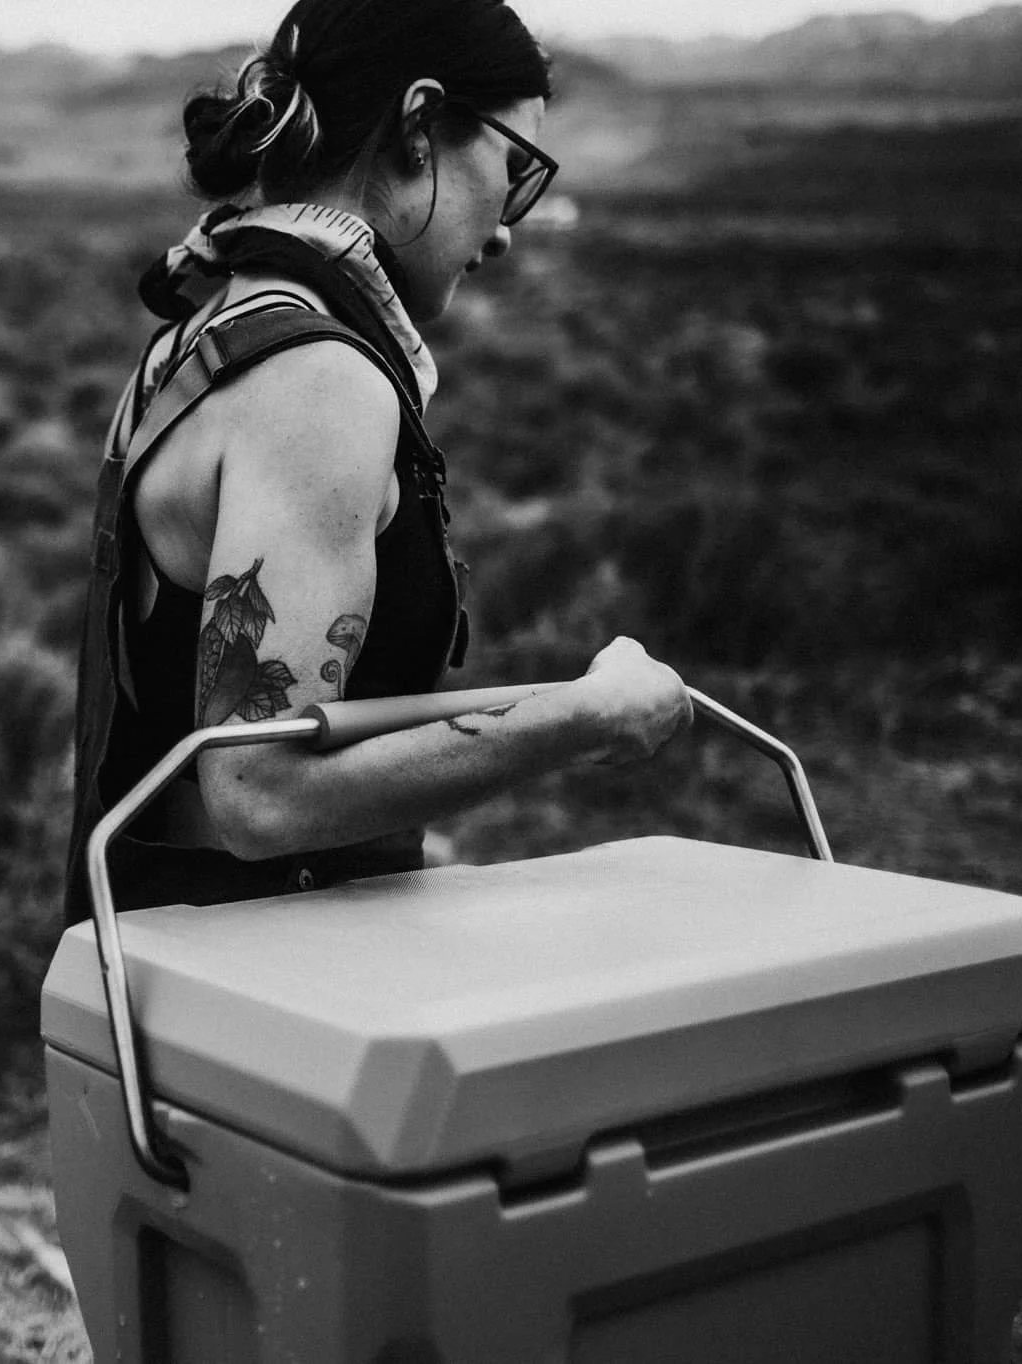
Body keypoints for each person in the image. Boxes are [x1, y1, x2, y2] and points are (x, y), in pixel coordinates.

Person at [65, 0, 692, 923]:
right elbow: (259, 793)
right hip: (268, 988)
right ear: (418, 127)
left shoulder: (206, 330)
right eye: (514, 170)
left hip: (169, 958)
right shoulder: (318, 380)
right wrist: (582, 720)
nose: (510, 226)